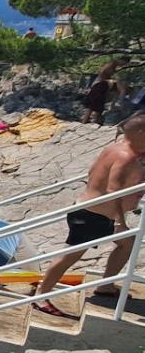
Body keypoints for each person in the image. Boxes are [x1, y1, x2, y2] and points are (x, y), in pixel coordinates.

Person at [32, 114, 145, 315]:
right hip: (93, 215)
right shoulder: (126, 157)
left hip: (88, 209)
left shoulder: (115, 147)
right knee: (70, 255)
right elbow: (113, 190)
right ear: (140, 133)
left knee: (127, 243)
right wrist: (120, 221)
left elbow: (92, 171)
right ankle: (41, 295)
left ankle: (105, 286)